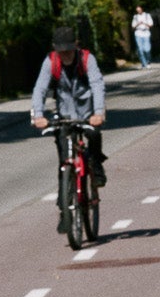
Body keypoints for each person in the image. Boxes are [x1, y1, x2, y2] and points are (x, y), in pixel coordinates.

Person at [30, 23, 106, 225]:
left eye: (68, 50)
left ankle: (96, 165)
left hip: (87, 112)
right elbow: (39, 89)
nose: (65, 55)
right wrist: (38, 115)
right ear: (55, 49)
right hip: (64, 113)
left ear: (76, 45)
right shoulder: (51, 61)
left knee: (94, 134)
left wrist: (99, 112)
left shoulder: (87, 59)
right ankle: (64, 210)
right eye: (61, 51)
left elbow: (97, 85)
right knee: (65, 159)